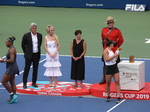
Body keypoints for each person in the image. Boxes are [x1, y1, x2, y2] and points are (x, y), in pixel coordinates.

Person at [99, 16, 124, 84]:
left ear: (113, 23)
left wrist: (116, 46)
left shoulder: (117, 31)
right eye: (108, 23)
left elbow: (121, 40)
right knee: (105, 65)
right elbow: (103, 39)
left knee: (116, 65)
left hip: (114, 50)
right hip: (106, 50)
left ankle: (118, 80)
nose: (109, 24)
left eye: (110, 22)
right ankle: (104, 78)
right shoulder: (103, 30)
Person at [21, 22, 42, 89]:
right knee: (27, 69)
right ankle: (24, 83)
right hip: (29, 55)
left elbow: (39, 44)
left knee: (35, 69)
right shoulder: (26, 35)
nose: (34, 29)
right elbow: (23, 45)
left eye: (35, 28)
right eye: (33, 28)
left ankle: (34, 82)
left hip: (36, 55)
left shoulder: (39, 35)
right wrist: (26, 52)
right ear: (30, 29)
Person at [0, 36, 19, 104]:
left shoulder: (11, 50)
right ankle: (15, 97)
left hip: (11, 68)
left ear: (10, 42)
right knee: (12, 82)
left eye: (7, 42)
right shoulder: (11, 49)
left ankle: (12, 95)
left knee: (3, 82)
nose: (6, 44)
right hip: (13, 67)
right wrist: (3, 59)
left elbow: (12, 60)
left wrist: (3, 60)